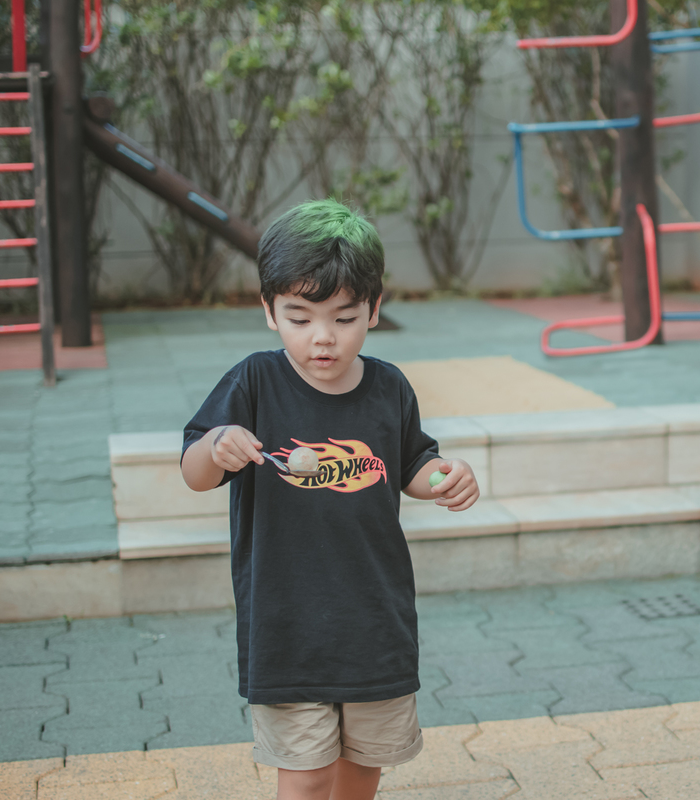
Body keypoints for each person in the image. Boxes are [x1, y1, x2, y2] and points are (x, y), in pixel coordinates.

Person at [180, 199, 479, 800]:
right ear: (268, 310)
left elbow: (410, 464)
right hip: (286, 622)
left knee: (362, 767)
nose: (322, 338)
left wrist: (447, 477)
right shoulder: (255, 382)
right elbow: (194, 471)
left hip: (373, 619)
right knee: (309, 775)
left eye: (344, 319)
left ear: (373, 308)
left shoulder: (389, 386)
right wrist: (218, 444)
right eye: (299, 317)